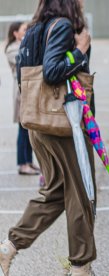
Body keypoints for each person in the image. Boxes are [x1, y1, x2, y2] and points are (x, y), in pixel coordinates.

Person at [0, 0, 96, 275]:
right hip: (63, 126)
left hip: (37, 125)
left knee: (55, 192)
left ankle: (10, 246)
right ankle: (81, 266)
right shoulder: (63, 27)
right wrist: (80, 50)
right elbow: (53, 72)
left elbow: (24, 74)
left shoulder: (33, 29)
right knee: (80, 195)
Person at [4, 22, 41, 176]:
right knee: (22, 130)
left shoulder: (23, 45)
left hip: (27, 91)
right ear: (15, 33)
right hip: (20, 93)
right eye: (24, 30)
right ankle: (22, 164)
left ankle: (29, 162)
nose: (27, 32)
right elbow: (26, 60)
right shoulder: (12, 49)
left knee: (29, 130)